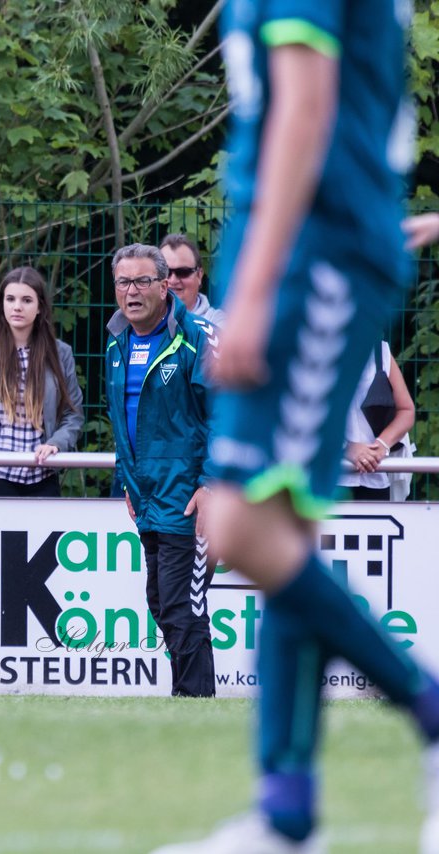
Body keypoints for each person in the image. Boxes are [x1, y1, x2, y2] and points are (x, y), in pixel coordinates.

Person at [151, 4, 439, 852]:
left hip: (307, 254)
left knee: (239, 524)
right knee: (281, 534)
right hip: (313, 241)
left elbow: (305, 111)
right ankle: (286, 814)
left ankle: (426, 709)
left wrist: (260, 281)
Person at [105, 244, 216, 699]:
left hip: (189, 497)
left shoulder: (197, 339)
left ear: (165, 284)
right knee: (161, 602)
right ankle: (191, 701)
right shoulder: (116, 339)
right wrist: (126, 480)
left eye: (142, 281)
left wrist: (212, 483)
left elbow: (228, 414)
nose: (132, 292)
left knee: (181, 605)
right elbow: (120, 418)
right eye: (123, 282)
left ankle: (194, 704)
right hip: (146, 498)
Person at [0, 266, 84, 499]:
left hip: (43, 478)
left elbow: (73, 415)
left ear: (40, 308)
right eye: (10, 299)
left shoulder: (60, 354)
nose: (17, 307)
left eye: (26, 300)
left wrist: (57, 442)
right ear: (2, 304)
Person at [339, 341, 414, 501]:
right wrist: (346, 449)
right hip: (326, 478)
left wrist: (381, 446)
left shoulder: (380, 351)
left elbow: (406, 410)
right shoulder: (308, 351)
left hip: (375, 476)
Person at [160, 234, 226, 327]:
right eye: (166, 272)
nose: (173, 280)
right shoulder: (141, 320)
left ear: (199, 275)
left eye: (183, 272)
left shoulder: (217, 323)